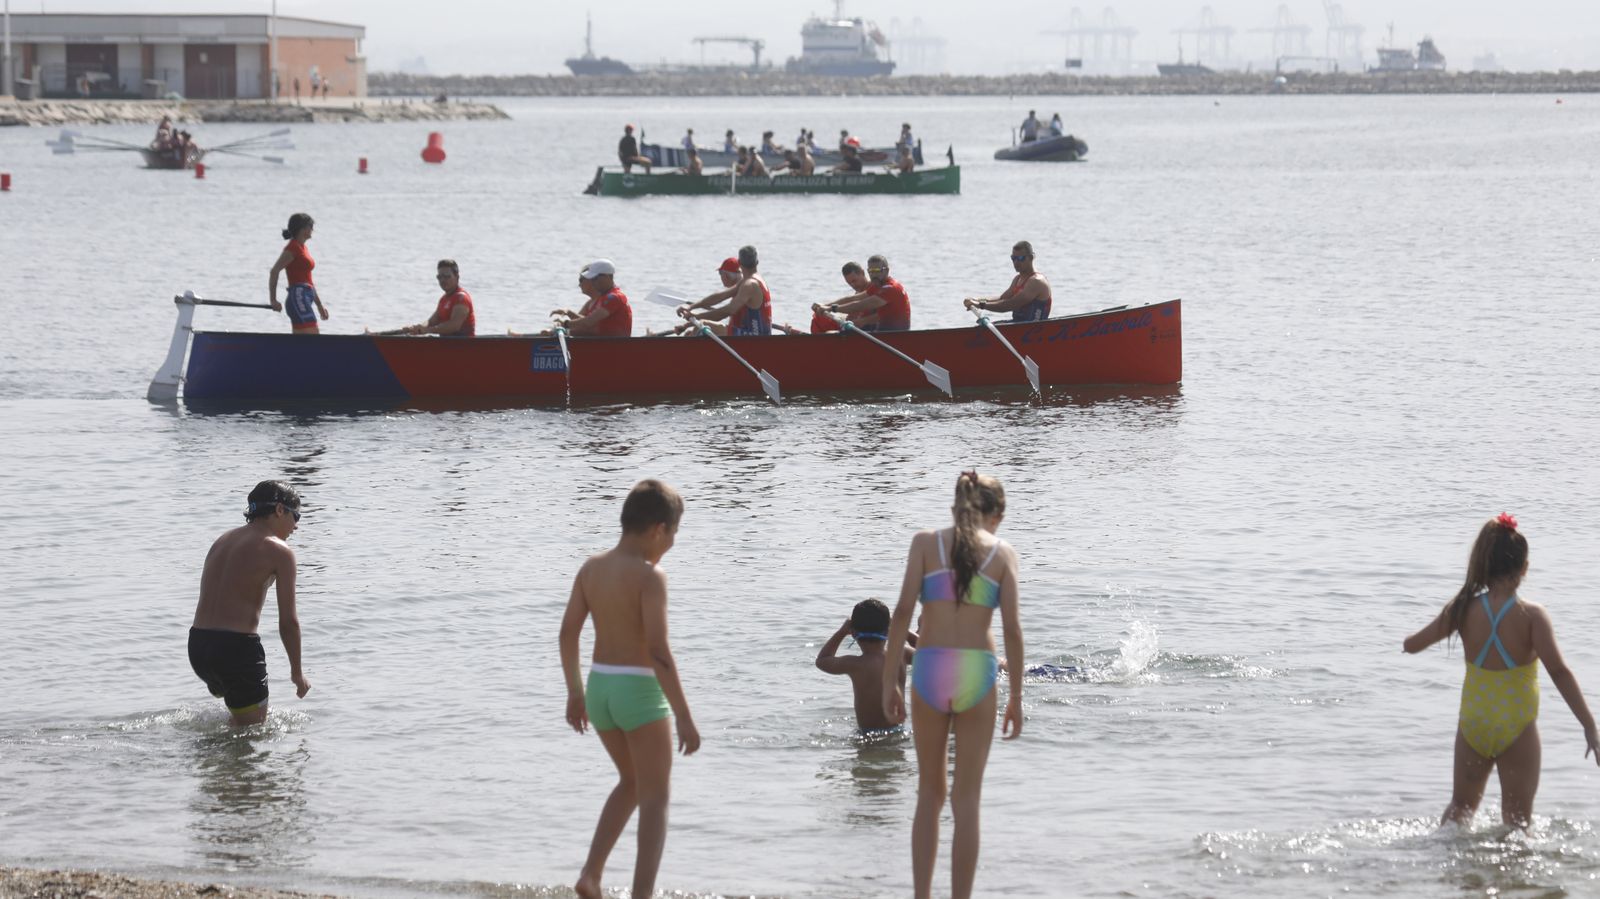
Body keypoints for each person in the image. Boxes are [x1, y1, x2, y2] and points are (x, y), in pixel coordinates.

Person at [1403, 513, 1600, 828]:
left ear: (1484, 565)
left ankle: (1447, 871)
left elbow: (1412, 645)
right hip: (1516, 727)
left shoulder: (1463, 608)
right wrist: (1589, 725)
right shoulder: (1532, 616)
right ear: (1524, 568)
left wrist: (1416, 635)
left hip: (1474, 723)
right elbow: (1559, 672)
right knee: (1517, 821)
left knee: (1460, 808)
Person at [882, 471, 1023, 899]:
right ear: (997, 514)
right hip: (978, 671)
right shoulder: (1002, 554)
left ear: (954, 508)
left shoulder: (926, 543)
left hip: (929, 667)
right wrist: (1016, 695)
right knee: (967, 801)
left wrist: (890, 680)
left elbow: (903, 611)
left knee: (929, 794)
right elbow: (1013, 631)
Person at [560, 479, 701, 899]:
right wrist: (684, 716)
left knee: (631, 783)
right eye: (674, 533)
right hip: (638, 692)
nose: (673, 543)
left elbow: (567, 634)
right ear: (659, 529)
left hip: (600, 688)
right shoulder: (650, 576)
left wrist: (575, 692)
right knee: (656, 800)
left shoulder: (591, 568)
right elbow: (658, 652)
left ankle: (591, 874)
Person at [189, 480, 311, 727]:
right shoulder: (280, 551)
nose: (296, 526)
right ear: (279, 510)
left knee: (236, 722)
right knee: (251, 733)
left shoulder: (223, 540)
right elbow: (288, 622)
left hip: (199, 647)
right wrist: (297, 674)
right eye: (296, 516)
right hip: (235, 649)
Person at [816, 599, 916, 733]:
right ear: (888, 631)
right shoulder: (901, 654)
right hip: (897, 732)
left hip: (867, 736)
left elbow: (822, 660)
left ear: (853, 633)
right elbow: (934, 654)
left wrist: (841, 632)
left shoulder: (854, 664)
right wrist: (903, 629)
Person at [678, 245, 771, 336]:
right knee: (691, 333)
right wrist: (691, 307)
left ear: (739, 262)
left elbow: (727, 311)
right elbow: (721, 296)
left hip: (754, 338)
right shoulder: (752, 280)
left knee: (702, 326)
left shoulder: (750, 285)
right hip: (748, 333)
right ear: (757, 262)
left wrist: (696, 317)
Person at [370, 259, 476, 337]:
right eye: (440, 277)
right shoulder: (444, 299)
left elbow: (454, 326)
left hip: (462, 347)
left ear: (457, 277)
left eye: (447, 276)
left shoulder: (461, 298)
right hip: (448, 346)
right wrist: (417, 328)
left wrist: (428, 330)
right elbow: (431, 321)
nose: (443, 280)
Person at [815, 254, 911, 332]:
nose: (873, 274)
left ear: (886, 270)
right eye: (871, 271)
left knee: (831, 334)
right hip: (882, 333)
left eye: (877, 270)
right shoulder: (877, 285)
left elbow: (859, 305)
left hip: (894, 337)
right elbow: (853, 298)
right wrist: (825, 306)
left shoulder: (890, 288)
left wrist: (831, 308)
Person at [963, 241, 1053, 322]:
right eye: (1013, 258)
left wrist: (980, 305)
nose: (1016, 262)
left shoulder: (1036, 281)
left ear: (1031, 257)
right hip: (1019, 326)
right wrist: (976, 299)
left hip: (1034, 329)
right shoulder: (1017, 279)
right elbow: (1002, 298)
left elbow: (1009, 305)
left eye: (1021, 258)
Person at [269, 213, 329, 334]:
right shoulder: (293, 248)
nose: (312, 230)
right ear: (303, 229)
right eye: (311, 226)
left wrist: (319, 305)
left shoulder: (303, 248)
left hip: (305, 297)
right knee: (313, 333)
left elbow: (309, 281)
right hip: (298, 297)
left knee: (303, 341)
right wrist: (273, 300)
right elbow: (274, 271)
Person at [547, 260, 633, 338]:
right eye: (591, 279)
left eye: (595, 278)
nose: (592, 282)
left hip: (614, 347)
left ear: (607, 277)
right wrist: (567, 319)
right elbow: (589, 323)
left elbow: (588, 322)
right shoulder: (603, 298)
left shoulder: (614, 297)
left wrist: (565, 325)